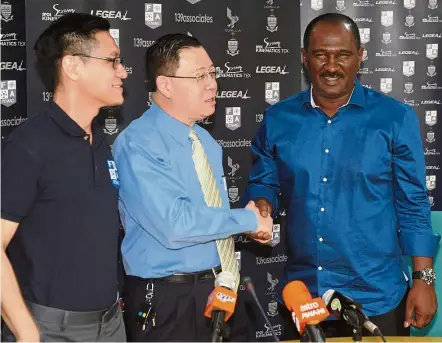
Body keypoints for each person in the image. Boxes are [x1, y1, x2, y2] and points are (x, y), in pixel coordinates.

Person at [245, 13, 440, 338]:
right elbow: (264, 179)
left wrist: (424, 281)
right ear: (305, 58)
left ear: (360, 57)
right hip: (304, 298)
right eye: (321, 54)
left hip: (376, 297)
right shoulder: (278, 119)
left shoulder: (394, 119)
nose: (331, 66)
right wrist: (262, 201)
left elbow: (414, 205)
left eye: (343, 55)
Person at [112, 33, 273, 342]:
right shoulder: (138, 144)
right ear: (166, 85)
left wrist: (249, 226)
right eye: (200, 76)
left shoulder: (205, 142)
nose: (212, 84)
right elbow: (176, 225)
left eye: (212, 73)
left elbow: (209, 218)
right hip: (168, 300)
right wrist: (248, 220)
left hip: (220, 288)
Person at [1, 13, 128, 342]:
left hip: (112, 323)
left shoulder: (101, 142)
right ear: (73, 67)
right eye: (112, 61)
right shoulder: (30, 145)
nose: (123, 72)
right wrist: (26, 331)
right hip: (49, 330)